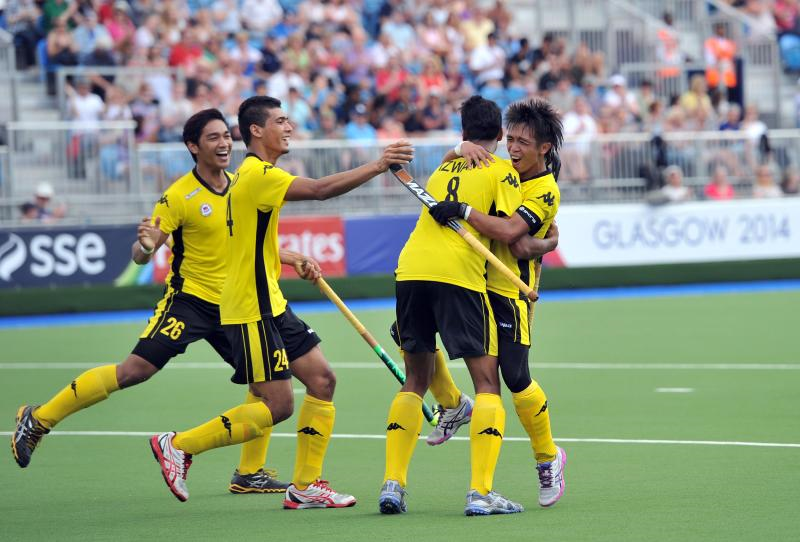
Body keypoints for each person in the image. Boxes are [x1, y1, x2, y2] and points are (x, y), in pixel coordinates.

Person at [148, 96, 413, 508]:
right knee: (277, 404)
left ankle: (305, 486)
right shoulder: (257, 174)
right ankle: (180, 445)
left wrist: (288, 258)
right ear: (256, 130)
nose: (289, 127)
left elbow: (250, 242)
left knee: (322, 380)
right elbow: (321, 190)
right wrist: (378, 165)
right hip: (249, 307)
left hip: (270, 300)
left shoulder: (251, 177)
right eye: (281, 120)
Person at [11, 109, 292, 495]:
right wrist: (145, 248)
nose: (224, 143)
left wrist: (290, 257)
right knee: (134, 371)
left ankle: (249, 473)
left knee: (265, 386)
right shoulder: (178, 195)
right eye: (213, 137)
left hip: (235, 304)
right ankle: (39, 419)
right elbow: (142, 254)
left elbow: (248, 244)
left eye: (226, 136)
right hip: (190, 302)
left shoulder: (241, 185)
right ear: (193, 146)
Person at [379, 96, 525, 517]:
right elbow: (510, 231)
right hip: (458, 274)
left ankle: (393, 485)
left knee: (414, 380)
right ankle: (481, 493)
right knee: (487, 384)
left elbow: (452, 157)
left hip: (410, 269)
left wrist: (457, 149)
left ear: (463, 133)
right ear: (501, 135)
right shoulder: (502, 171)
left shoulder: (444, 169)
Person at [423, 98, 567, 509]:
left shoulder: (544, 190)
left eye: (525, 143)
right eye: (512, 140)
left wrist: (464, 210)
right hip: (471, 283)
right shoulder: (498, 168)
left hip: (510, 292)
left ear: (544, 149)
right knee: (411, 334)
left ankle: (548, 457)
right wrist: (459, 148)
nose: (514, 149)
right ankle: (453, 405)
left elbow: (513, 239)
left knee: (516, 377)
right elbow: (447, 173)